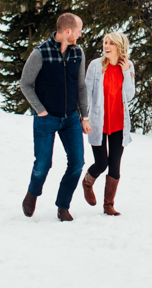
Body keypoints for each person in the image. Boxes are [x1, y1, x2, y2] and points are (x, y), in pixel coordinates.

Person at [19, 12, 93, 222]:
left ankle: (63, 206)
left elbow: (80, 86)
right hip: (46, 118)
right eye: (78, 30)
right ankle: (33, 192)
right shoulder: (40, 53)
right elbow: (25, 83)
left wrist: (84, 116)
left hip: (70, 118)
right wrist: (40, 109)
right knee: (43, 164)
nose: (80, 34)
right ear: (67, 31)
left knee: (77, 162)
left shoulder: (78, 52)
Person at [81, 32, 135, 216]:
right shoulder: (96, 66)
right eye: (105, 42)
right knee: (101, 163)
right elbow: (87, 93)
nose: (107, 46)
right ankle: (87, 183)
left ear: (119, 46)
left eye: (111, 43)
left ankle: (108, 205)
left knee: (115, 165)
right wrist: (85, 117)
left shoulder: (127, 66)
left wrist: (127, 71)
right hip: (98, 122)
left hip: (119, 124)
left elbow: (129, 95)